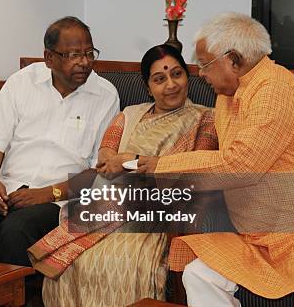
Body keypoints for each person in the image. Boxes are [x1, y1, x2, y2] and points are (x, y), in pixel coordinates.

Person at [138, 13, 294, 306]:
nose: (200, 73)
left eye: (205, 64)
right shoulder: (227, 96)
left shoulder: (275, 90)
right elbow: (218, 158)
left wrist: (163, 166)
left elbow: (241, 166)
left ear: (233, 60)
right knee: (198, 275)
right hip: (254, 234)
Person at [0, 16, 119, 267]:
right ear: (49, 58)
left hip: (58, 201)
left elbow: (98, 172)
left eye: (89, 53)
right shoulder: (22, 82)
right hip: (7, 190)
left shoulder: (105, 95)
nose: (84, 62)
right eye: (73, 55)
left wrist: (46, 194)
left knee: (15, 231)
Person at [30, 44, 219, 306]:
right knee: (76, 263)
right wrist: (125, 166)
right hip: (108, 205)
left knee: (123, 262)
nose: (171, 85)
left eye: (177, 74)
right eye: (159, 79)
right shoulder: (129, 115)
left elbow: (196, 168)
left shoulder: (207, 119)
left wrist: (129, 161)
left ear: (188, 76)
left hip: (158, 214)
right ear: (148, 86)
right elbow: (106, 160)